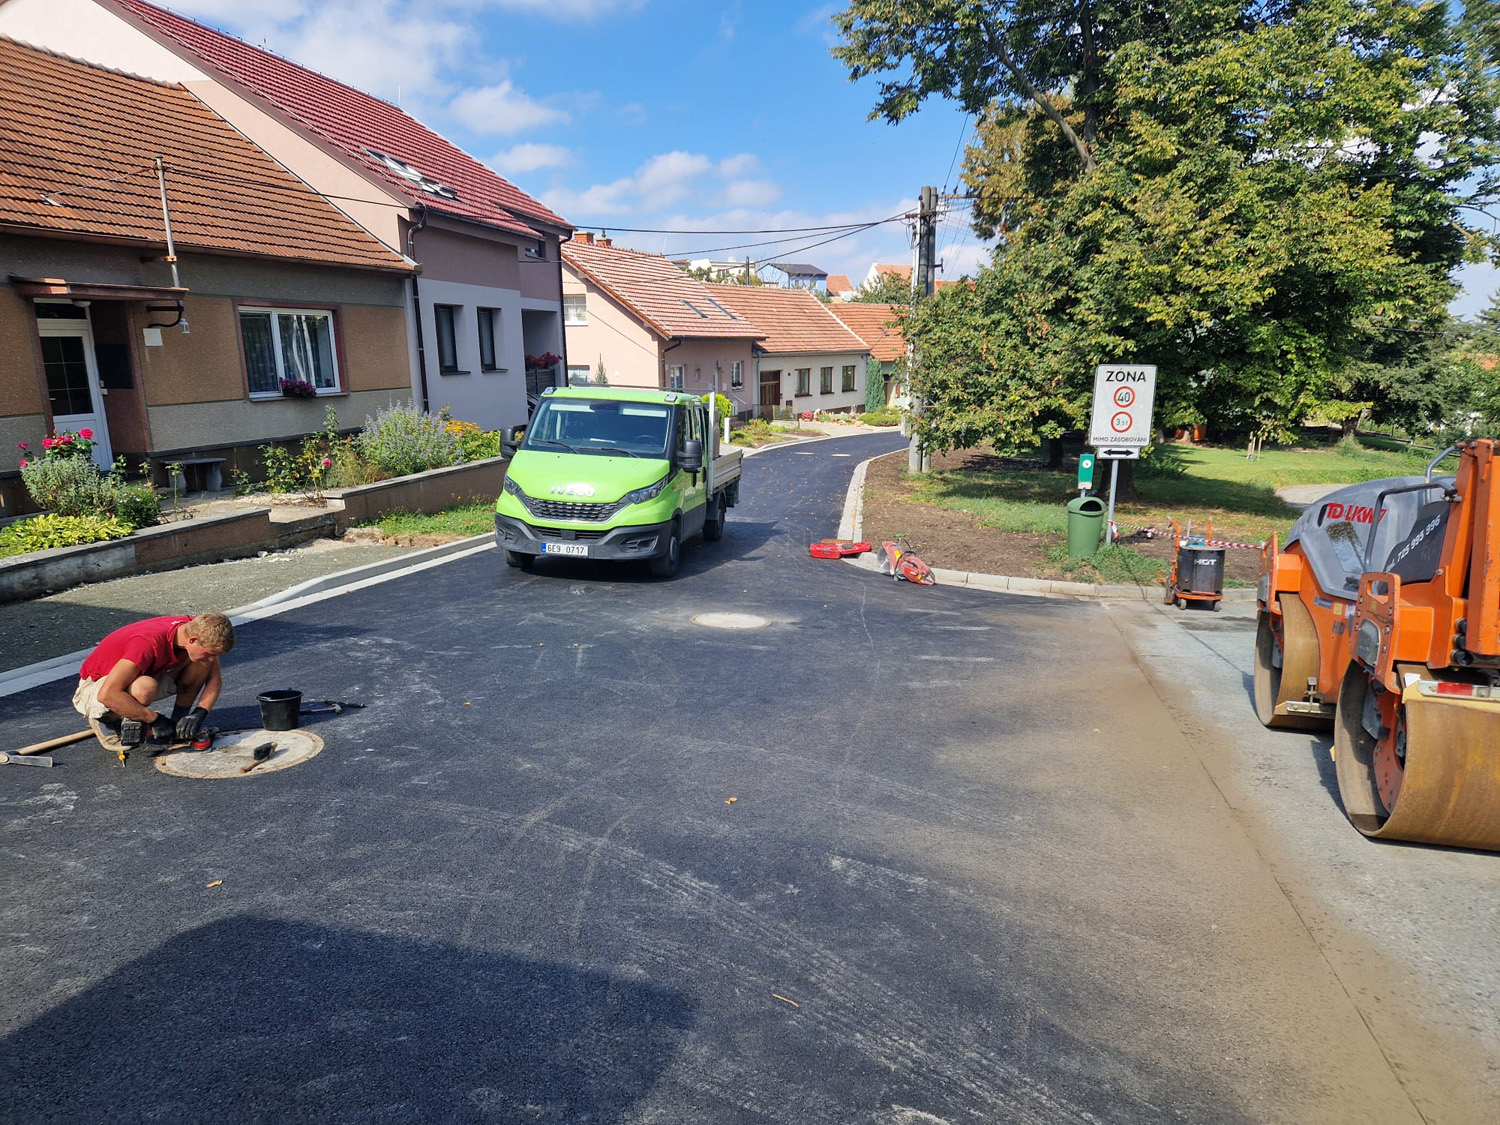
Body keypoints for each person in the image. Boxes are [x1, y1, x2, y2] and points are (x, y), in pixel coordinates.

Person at [74, 613, 235, 756]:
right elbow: (107, 694)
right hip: (96, 687)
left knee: (202, 664)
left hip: (139, 674)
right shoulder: (146, 643)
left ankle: (179, 722)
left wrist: (198, 714)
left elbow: (215, 680)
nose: (213, 659)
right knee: (144, 688)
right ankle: (107, 719)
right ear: (193, 640)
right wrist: (155, 720)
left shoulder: (197, 628)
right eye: (210, 653)